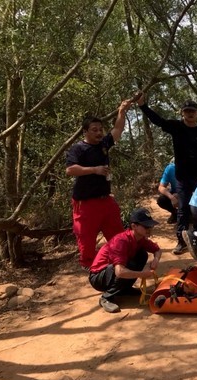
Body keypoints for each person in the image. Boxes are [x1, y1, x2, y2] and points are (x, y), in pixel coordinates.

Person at [136, 92, 197, 254]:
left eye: (192, 111)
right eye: (187, 111)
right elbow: (158, 121)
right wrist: (143, 106)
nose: (190, 113)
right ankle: (181, 242)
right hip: (183, 179)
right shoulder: (177, 127)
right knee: (183, 210)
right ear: (182, 113)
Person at [66, 99, 133, 270]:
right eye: (94, 130)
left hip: (106, 200)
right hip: (85, 204)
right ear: (85, 132)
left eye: (100, 129)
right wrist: (94, 170)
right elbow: (71, 170)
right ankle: (92, 268)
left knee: (118, 234)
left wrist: (122, 111)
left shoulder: (104, 144)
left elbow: (117, 130)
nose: (99, 132)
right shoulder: (78, 149)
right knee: (86, 239)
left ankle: (120, 261)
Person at [88, 208, 162, 313]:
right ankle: (106, 297)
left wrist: (156, 259)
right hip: (98, 277)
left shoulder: (140, 238)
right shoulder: (121, 241)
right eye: (146, 226)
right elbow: (120, 271)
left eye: (150, 226)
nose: (149, 229)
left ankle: (124, 289)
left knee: (141, 255)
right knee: (126, 265)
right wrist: (142, 274)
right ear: (134, 226)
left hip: (111, 271)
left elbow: (158, 250)